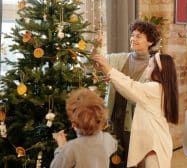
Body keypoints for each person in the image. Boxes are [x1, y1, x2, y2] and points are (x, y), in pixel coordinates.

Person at [92, 52, 179, 168]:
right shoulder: (160, 88)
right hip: (155, 143)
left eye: (150, 66)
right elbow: (129, 86)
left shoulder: (153, 89)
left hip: (155, 145)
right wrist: (108, 72)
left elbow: (130, 86)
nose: (147, 69)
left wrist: (109, 68)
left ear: (158, 71)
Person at [95, 20, 161, 166]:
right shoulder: (119, 58)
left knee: (132, 162)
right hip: (113, 118)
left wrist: (111, 73)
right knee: (113, 160)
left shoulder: (153, 67)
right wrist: (96, 46)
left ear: (150, 42)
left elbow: (140, 95)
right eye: (132, 35)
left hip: (135, 123)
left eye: (138, 36)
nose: (133, 39)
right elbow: (95, 63)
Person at [50, 88, 117, 168]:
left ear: (74, 123)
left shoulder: (72, 147)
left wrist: (62, 146)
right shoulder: (107, 139)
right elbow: (113, 146)